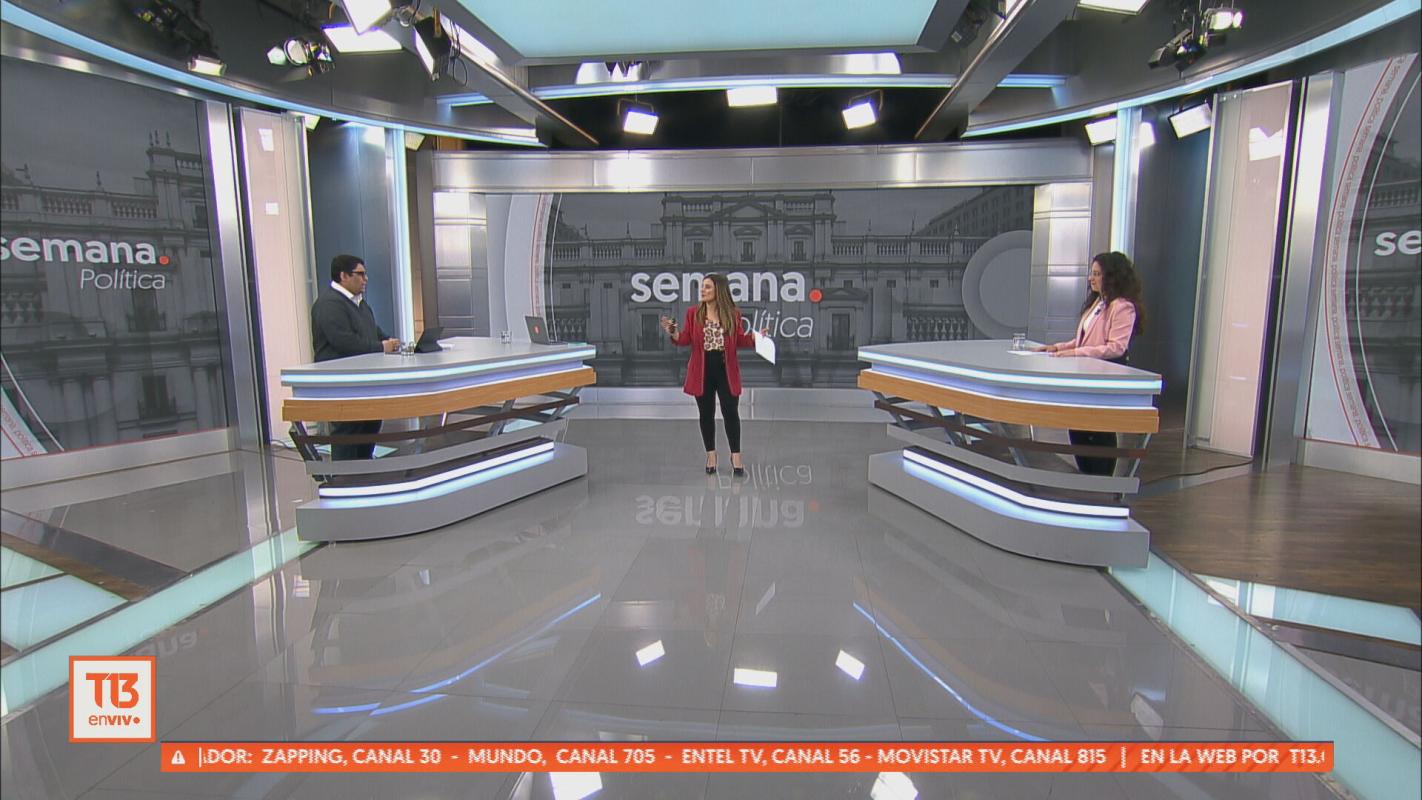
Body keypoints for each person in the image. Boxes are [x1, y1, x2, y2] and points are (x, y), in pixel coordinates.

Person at [1035, 251, 1146, 475]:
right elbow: (1085, 339)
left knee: (1098, 429)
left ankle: (1101, 478)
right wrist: (1059, 347)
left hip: (1104, 376)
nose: (1090, 278)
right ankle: (1087, 477)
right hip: (1085, 376)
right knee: (1078, 426)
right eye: (1091, 273)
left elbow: (1116, 347)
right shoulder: (1098, 303)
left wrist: (1077, 353)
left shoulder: (1122, 307)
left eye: (1096, 274)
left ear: (1111, 276)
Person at [661, 274, 767, 477]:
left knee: (731, 412)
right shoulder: (693, 313)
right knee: (706, 414)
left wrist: (755, 337)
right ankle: (711, 455)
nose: (703, 290)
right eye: (702, 286)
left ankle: (736, 456)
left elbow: (739, 340)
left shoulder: (733, 314)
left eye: (708, 287)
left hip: (726, 369)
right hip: (702, 370)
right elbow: (685, 339)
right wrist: (673, 332)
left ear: (719, 290)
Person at [311, 254, 399, 460]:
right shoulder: (329, 304)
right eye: (360, 274)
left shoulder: (360, 304)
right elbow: (344, 342)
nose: (365, 279)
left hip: (364, 382)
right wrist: (380, 347)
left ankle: (363, 470)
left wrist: (390, 341)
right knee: (348, 429)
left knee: (369, 424)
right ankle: (344, 475)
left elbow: (372, 331)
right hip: (342, 383)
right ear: (343, 276)